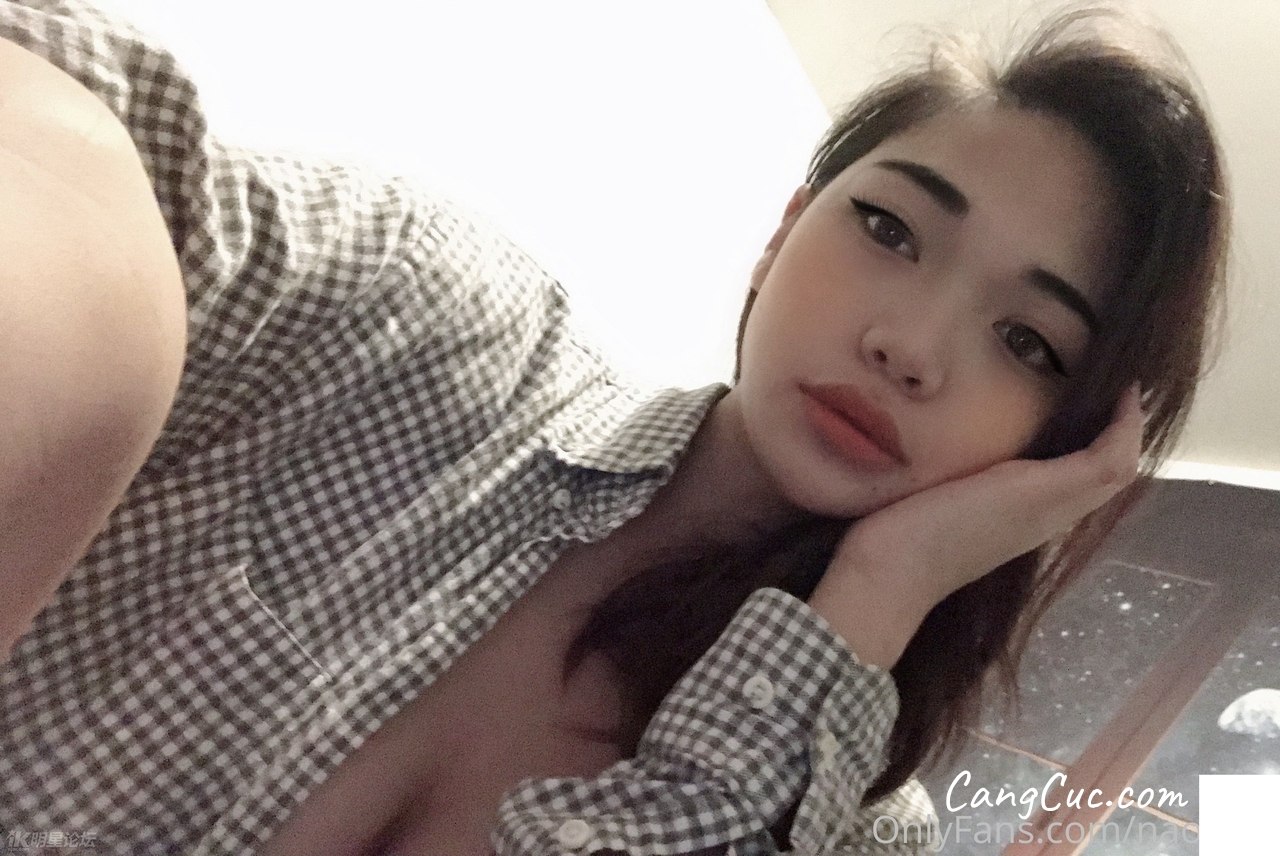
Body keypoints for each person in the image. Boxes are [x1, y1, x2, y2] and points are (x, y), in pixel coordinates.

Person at [0, 0, 1226, 854]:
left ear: (1055, 444)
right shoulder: (433, 323)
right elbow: (99, 143)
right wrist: (71, 208)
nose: (910, 345)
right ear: (781, 231)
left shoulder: (844, 827)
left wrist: (875, 589)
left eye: (1027, 342)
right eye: (889, 230)